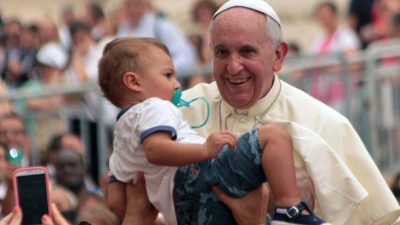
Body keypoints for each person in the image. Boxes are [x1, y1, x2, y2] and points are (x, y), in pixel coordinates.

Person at [125, 0, 400, 224]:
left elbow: (379, 220)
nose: (233, 67)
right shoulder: (177, 110)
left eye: (247, 52)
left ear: (278, 56)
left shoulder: (326, 125)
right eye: (222, 52)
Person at [98, 36, 343, 225]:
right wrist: (204, 149)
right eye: (167, 74)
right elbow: (155, 150)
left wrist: (153, 210)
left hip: (184, 213)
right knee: (273, 136)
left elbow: (116, 202)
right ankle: (291, 209)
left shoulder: (121, 136)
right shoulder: (154, 106)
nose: (176, 84)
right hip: (197, 177)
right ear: (134, 82)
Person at [116, 0, 197, 83]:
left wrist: (162, 73)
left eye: (136, 4)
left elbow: (185, 55)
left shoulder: (159, 25)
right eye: (129, 5)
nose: (133, 9)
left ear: (144, 4)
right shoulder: (123, 29)